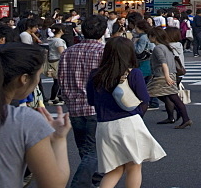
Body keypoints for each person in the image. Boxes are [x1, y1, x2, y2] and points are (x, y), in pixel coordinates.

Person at [87, 35, 165, 187]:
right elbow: (144, 99)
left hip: (104, 126)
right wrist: (137, 115)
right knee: (134, 166)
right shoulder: (133, 73)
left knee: (114, 169)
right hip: (128, 123)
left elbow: (91, 101)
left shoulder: (95, 75)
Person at [0, 42, 71, 188]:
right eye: (38, 75)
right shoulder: (24, 120)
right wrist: (59, 139)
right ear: (24, 79)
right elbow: (54, 184)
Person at [58, 14, 108, 188]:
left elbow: (61, 79)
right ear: (102, 31)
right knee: (94, 150)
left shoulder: (68, 52)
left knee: (85, 150)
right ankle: (80, 183)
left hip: (74, 106)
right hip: (96, 107)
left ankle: (93, 179)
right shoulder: (103, 51)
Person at [147, 29, 191, 128]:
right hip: (171, 74)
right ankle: (185, 118)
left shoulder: (158, 48)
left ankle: (137, 120)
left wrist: (166, 77)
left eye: (149, 36)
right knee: (172, 97)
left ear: (154, 37)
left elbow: (163, 63)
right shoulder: (167, 47)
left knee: (147, 94)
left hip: (162, 76)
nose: (148, 38)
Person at [46, 24, 67, 104]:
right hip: (58, 61)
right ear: (61, 30)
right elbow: (62, 52)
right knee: (58, 80)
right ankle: (53, 98)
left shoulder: (51, 39)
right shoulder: (58, 41)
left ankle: (57, 96)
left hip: (53, 60)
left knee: (57, 80)